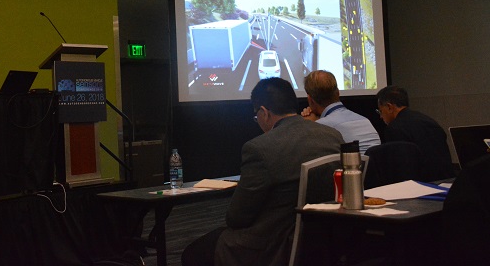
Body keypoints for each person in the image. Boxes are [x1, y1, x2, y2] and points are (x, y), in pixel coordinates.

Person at [181, 77, 344, 266]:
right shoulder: (333, 136)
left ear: (264, 112)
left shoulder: (260, 148)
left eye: (256, 116)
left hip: (274, 246)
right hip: (324, 242)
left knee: (194, 253)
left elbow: (236, 218)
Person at [376, 85, 455, 181]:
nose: (381, 116)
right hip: (448, 183)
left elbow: (401, 170)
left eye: (380, 111)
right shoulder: (428, 120)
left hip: (420, 187)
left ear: (389, 107)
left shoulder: (394, 128)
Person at [302, 70, 380, 154]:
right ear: (338, 93)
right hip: (376, 166)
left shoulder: (320, 127)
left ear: (310, 99)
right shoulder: (365, 121)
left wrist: (309, 126)